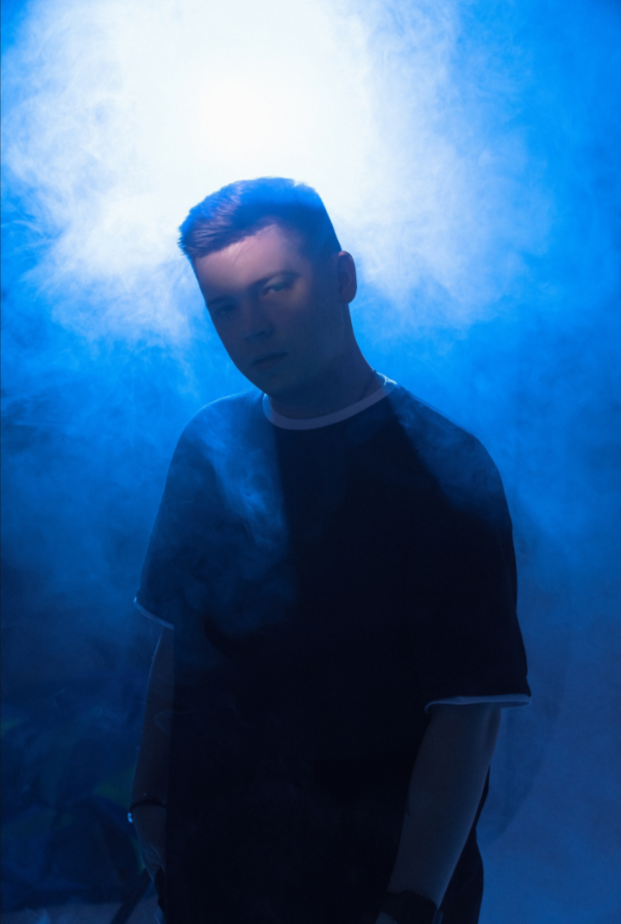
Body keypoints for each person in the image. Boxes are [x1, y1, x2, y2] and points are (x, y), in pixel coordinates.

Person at [129, 177, 531, 924]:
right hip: (214, 870)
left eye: (274, 288)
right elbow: (179, 646)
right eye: (224, 306)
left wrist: (409, 904)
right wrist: (148, 797)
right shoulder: (210, 443)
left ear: (342, 277)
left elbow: (466, 717)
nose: (252, 327)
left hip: (368, 882)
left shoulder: (444, 467)